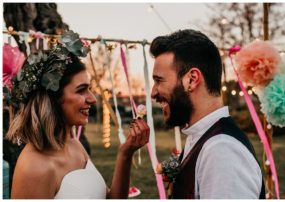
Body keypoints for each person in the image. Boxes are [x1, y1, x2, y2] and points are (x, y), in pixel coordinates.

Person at [6, 31, 149, 199]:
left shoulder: (73, 143)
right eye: (81, 90)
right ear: (54, 99)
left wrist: (125, 155)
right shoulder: (35, 167)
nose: (93, 99)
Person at [150, 29, 265, 199]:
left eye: (159, 80)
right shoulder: (202, 136)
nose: (153, 92)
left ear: (192, 79)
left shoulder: (222, 151)